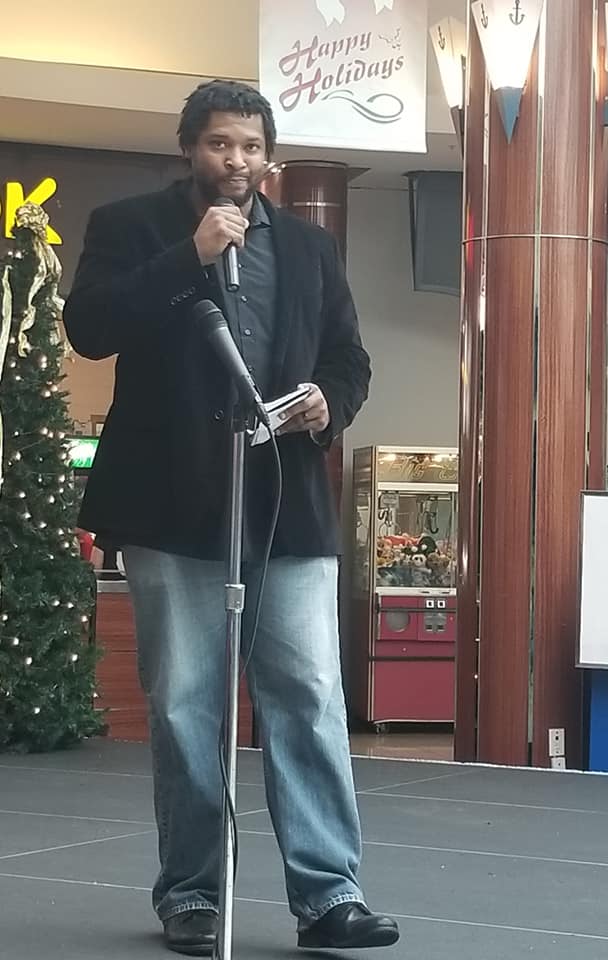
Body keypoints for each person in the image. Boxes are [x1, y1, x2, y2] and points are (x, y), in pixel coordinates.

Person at [63, 80, 399, 956]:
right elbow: (90, 327)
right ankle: (193, 893)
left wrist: (330, 401)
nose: (237, 161)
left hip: (287, 506)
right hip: (172, 504)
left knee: (310, 696)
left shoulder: (310, 247)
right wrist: (190, 255)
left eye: (251, 146)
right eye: (219, 144)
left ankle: (330, 897)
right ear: (189, 149)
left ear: (269, 156)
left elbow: (349, 357)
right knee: (186, 705)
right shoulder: (133, 226)